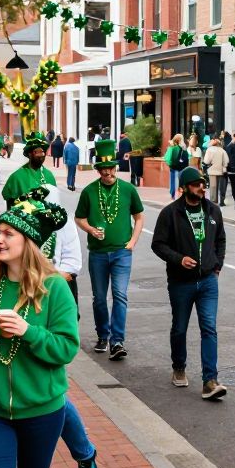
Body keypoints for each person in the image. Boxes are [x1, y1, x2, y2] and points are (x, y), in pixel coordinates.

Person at [0, 199, 88, 468]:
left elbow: (66, 348)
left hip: (43, 412)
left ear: (28, 241)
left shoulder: (55, 288)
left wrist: (29, 332)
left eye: (8, 233)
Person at [151, 166, 228, 399]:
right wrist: (178, 259)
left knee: (209, 328)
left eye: (203, 183)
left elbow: (221, 240)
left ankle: (210, 380)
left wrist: (217, 265)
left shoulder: (213, 211)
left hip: (207, 281)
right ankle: (179, 367)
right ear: (184, 188)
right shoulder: (170, 213)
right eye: (196, 185)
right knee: (180, 327)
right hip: (180, 282)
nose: (201, 188)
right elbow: (158, 244)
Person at [75, 139, 144, 359]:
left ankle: (117, 341)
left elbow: (139, 218)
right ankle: (103, 335)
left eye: (111, 168)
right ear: (98, 170)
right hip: (97, 252)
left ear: (115, 168)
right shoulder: (88, 192)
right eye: (103, 169)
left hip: (122, 252)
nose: (108, 172)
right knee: (99, 298)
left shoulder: (127, 189)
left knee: (120, 295)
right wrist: (91, 230)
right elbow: (79, 218)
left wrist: (132, 242)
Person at [2, 132, 56, 205]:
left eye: (43, 152)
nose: (41, 155)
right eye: (37, 152)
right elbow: (10, 206)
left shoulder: (49, 176)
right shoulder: (17, 177)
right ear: (29, 154)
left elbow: (55, 202)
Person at [203, 138, 229, 206]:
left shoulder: (209, 150)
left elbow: (206, 161)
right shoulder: (222, 150)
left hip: (213, 171)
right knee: (222, 187)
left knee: (213, 187)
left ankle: (213, 202)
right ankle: (222, 201)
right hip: (222, 171)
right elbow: (226, 161)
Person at [163, 133, 187, 200]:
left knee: (172, 180)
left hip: (173, 166)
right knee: (181, 180)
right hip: (180, 166)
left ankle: (172, 195)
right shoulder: (182, 146)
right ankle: (181, 194)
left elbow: (167, 157)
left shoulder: (171, 146)